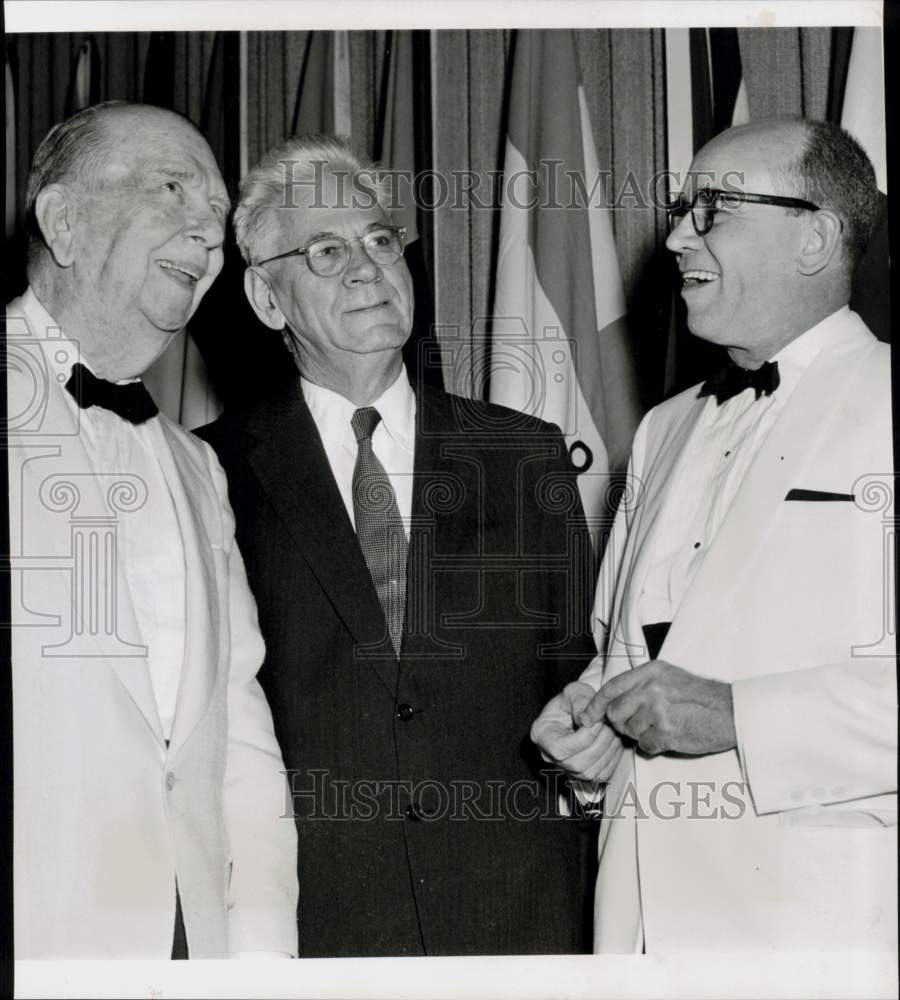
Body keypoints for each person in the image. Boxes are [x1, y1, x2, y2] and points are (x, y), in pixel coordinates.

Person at [198, 135, 597, 956]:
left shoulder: (523, 454)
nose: (367, 268)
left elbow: (578, 677)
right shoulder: (209, 470)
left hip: (520, 918)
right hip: (319, 923)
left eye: (381, 240)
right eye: (325, 250)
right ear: (267, 300)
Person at [531, 118, 896, 953]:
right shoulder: (663, 429)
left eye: (713, 208)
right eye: (682, 208)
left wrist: (739, 717)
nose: (672, 236)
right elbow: (627, 653)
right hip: (638, 926)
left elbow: (716, 703)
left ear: (816, 237)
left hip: (822, 929)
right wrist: (591, 733)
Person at [6, 102, 298, 959]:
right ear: (63, 221)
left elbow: (240, 738)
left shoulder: (196, 468)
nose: (209, 233)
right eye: (174, 190)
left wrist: (261, 960)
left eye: (216, 214)